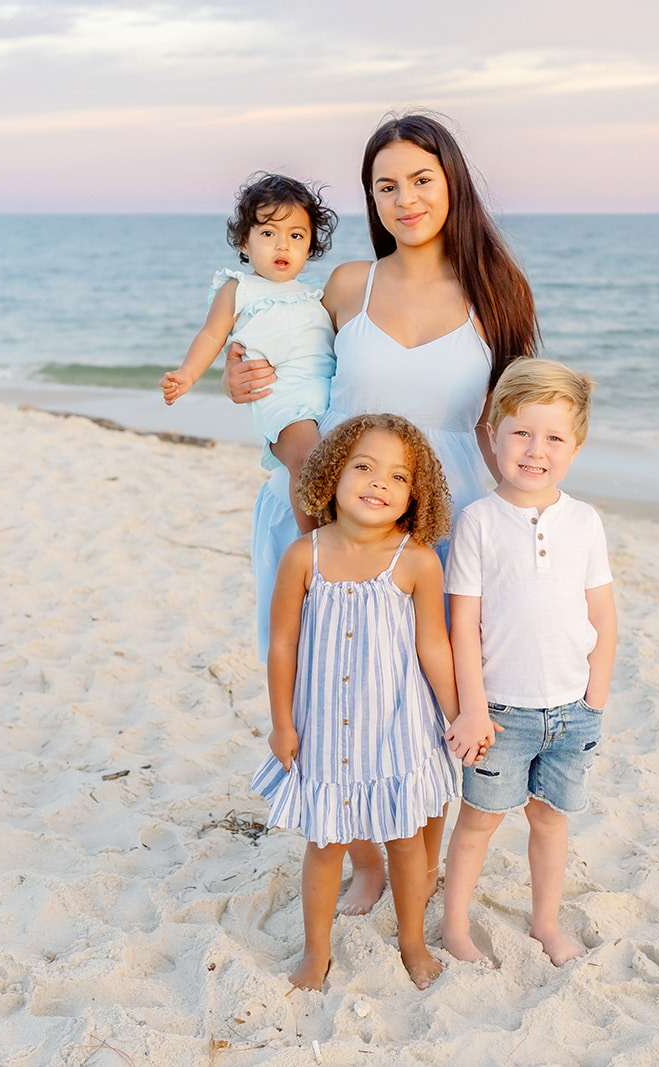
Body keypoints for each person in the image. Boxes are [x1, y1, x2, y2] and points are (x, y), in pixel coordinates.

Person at [226, 113, 538, 915]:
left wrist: (526, 527)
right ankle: (364, 857)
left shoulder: (497, 292)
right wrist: (245, 379)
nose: (405, 199)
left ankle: (417, 865)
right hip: (330, 508)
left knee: (422, 701)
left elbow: (509, 421)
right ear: (370, 197)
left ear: (452, 183)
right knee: (328, 692)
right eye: (385, 185)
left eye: (421, 180)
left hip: (448, 511)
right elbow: (289, 380)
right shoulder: (345, 286)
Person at [251, 413, 466, 990]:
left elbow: (434, 648)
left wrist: (460, 715)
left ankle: (413, 942)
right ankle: (316, 954)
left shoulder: (417, 559)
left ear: (414, 496)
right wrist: (280, 723)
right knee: (325, 844)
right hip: (324, 730)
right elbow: (282, 644)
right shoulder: (305, 555)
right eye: (364, 467)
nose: (378, 483)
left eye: (398, 477)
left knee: (405, 841)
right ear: (333, 473)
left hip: (399, 728)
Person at [440, 359, 617, 967]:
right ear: (492, 433)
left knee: (550, 819)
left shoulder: (585, 521)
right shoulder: (478, 522)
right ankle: (456, 927)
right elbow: (463, 624)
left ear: (577, 445)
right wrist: (470, 710)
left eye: (554, 437)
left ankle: (546, 922)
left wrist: (595, 698)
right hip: (500, 711)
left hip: (572, 711)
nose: (535, 450)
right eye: (520, 432)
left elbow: (604, 617)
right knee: (480, 822)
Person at [162, 173, 339, 533]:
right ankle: (316, 545)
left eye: (296, 236)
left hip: (327, 393)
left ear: (310, 247)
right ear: (245, 243)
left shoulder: (312, 293)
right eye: (268, 234)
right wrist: (188, 374)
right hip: (281, 396)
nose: (282, 246)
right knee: (307, 460)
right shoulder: (238, 289)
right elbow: (212, 335)